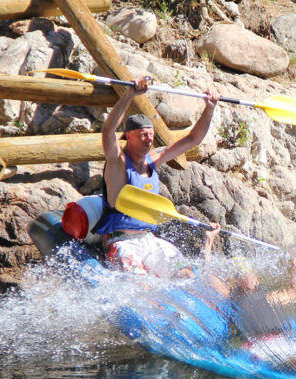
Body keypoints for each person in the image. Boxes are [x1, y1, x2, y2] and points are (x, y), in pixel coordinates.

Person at [92, 76, 220, 278]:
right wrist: (130, 95)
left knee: (187, 275)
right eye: (143, 134)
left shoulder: (154, 160)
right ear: (129, 136)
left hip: (149, 240)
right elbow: (108, 131)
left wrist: (210, 107)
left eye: (151, 134)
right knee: (143, 286)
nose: (149, 138)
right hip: (121, 241)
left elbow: (194, 139)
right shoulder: (118, 162)